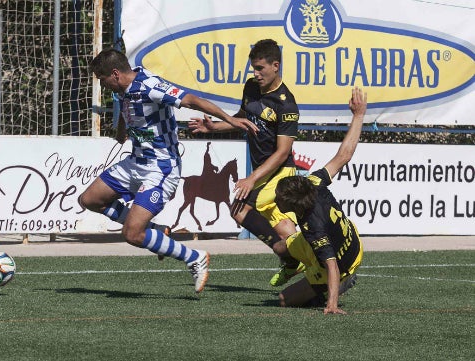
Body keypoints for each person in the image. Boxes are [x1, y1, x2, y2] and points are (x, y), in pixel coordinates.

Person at [79, 49, 258, 294]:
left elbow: (192, 100)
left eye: (102, 79)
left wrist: (231, 120)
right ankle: (156, 231)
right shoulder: (123, 89)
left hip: (160, 168)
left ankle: (194, 257)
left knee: (132, 234)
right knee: (89, 200)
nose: (102, 84)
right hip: (135, 162)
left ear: (115, 74)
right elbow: (126, 106)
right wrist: (121, 131)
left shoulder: (150, 85)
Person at [188, 39, 302, 286]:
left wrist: (252, 178)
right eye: (253, 68)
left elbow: (283, 152)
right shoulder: (251, 87)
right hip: (264, 172)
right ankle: (302, 262)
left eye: (260, 68)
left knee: (239, 209)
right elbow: (242, 118)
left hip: (279, 171)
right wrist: (212, 127)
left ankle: (298, 259)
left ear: (275, 66)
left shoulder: (286, 103)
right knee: (282, 228)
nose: (256, 73)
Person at [275, 87, 367, 314]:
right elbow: (344, 156)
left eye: (279, 200)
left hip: (345, 262)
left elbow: (333, 266)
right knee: (279, 246)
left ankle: (333, 289)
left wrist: (331, 305)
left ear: (294, 205)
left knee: (284, 300)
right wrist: (358, 116)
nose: (277, 202)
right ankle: (298, 263)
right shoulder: (314, 181)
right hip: (345, 234)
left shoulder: (313, 227)